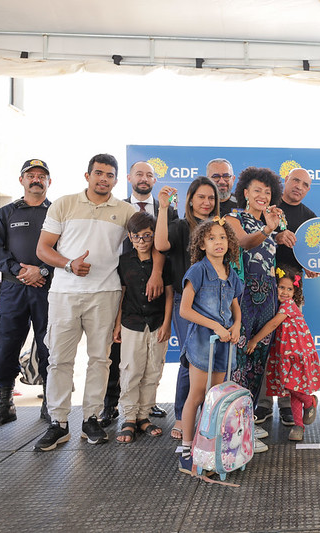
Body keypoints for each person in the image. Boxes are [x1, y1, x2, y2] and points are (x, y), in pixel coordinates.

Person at [32, 154, 150, 451]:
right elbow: (43, 249)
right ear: (87, 176)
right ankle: (58, 423)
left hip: (105, 294)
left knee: (100, 359)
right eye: (98, 173)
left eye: (109, 175)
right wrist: (69, 264)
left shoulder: (125, 211)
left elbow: (148, 237)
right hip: (64, 294)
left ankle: (91, 419)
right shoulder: (64, 204)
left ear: (116, 180)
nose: (103, 179)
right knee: (59, 360)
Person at [101, 160, 178, 427]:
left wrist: (157, 271)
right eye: (139, 174)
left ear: (155, 180)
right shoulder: (119, 208)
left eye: (149, 174)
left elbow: (166, 247)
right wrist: (117, 321)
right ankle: (119, 410)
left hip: (155, 310)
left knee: (152, 366)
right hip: (128, 303)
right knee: (125, 364)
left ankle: (145, 411)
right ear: (129, 177)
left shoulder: (167, 210)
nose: (144, 178)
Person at [0, 158, 53, 430]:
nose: (36, 179)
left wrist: (42, 271)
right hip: (13, 288)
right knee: (6, 344)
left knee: (50, 346)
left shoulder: (58, 212)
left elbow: (68, 248)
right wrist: (19, 271)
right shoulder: (5, 213)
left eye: (41, 176)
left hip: (48, 288)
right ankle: (5, 405)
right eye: (31, 175)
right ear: (22, 180)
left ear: (49, 182)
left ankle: (50, 404)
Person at [155, 176, 220, 441]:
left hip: (216, 303)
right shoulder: (181, 226)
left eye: (211, 198)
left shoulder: (219, 227)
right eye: (201, 197)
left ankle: (207, 417)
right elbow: (160, 245)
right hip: (187, 302)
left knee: (213, 363)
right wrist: (162, 208)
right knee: (190, 360)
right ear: (190, 200)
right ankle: (183, 416)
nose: (206, 202)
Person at [177, 218, 243, 475]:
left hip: (224, 345)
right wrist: (215, 325)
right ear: (202, 244)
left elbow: (235, 306)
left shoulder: (231, 273)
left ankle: (208, 447)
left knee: (215, 399)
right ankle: (186, 448)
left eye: (223, 237)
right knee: (196, 395)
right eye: (212, 238)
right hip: (203, 343)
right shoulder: (198, 271)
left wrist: (236, 326)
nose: (218, 242)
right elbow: (185, 310)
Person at [254, 166, 318, 426]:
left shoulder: (310, 218)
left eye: (305, 184)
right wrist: (275, 236)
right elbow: (251, 241)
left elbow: (313, 254)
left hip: (292, 293)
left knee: (289, 350)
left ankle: (287, 404)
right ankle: (263, 402)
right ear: (285, 181)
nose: (299, 187)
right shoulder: (267, 207)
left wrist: (312, 266)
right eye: (296, 181)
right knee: (264, 345)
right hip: (262, 287)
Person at [225, 166, 283, 451]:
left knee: (258, 361)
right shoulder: (232, 218)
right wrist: (268, 229)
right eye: (257, 190)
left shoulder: (272, 222)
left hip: (269, 295)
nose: (263, 195)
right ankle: (233, 426)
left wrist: (278, 232)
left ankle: (246, 421)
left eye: (267, 192)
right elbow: (243, 244)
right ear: (245, 193)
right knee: (238, 361)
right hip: (244, 294)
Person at [112, 212, 173, 443]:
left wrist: (167, 323)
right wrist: (117, 324)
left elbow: (169, 294)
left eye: (147, 236)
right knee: (130, 370)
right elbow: (122, 294)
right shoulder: (124, 261)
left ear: (154, 235)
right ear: (129, 236)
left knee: (153, 371)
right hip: (132, 322)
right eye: (136, 236)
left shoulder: (163, 262)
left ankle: (143, 416)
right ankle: (129, 417)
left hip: (157, 323)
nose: (141, 241)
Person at [246, 265, 320, 441]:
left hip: (297, 353)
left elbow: (273, 324)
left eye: (289, 289)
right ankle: (298, 426)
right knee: (291, 388)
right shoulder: (278, 305)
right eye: (281, 287)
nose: (285, 292)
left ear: (295, 292)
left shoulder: (288, 305)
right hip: (285, 353)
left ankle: (309, 401)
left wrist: (255, 340)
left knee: (291, 386)